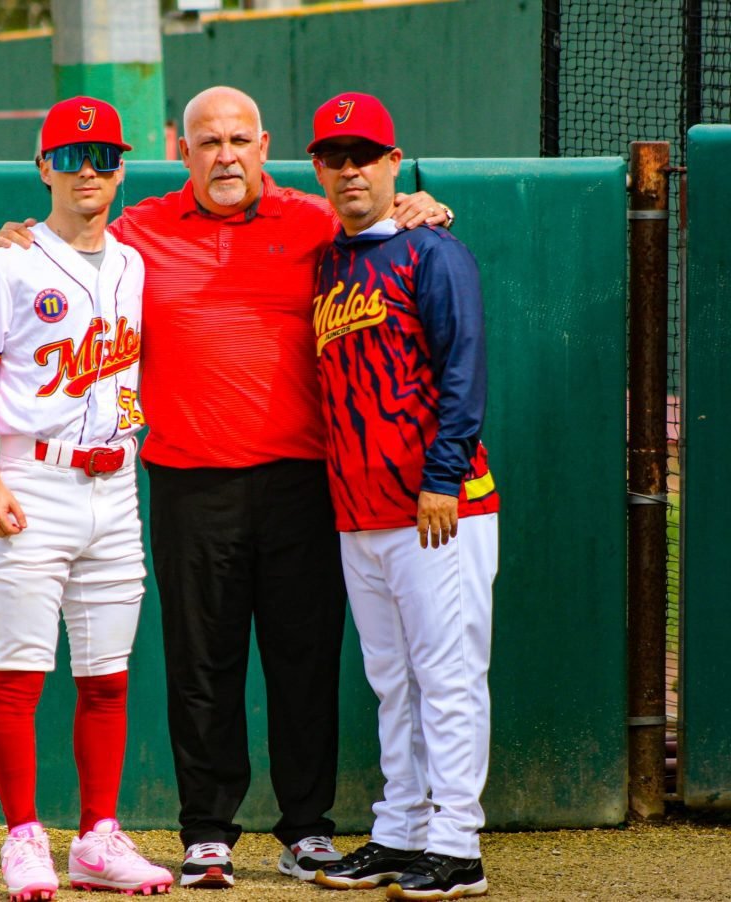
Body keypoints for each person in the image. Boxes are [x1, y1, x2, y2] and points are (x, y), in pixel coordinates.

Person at [0, 86, 453, 889]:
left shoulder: (313, 220)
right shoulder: (139, 231)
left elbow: (376, 218)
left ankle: (307, 829)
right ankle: (207, 832)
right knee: (201, 665)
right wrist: (17, 236)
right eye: (209, 142)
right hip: (188, 481)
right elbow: (68, 241)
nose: (226, 155)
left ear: (264, 147)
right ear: (184, 152)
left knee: (305, 663)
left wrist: (421, 205)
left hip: (301, 479)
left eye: (240, 140)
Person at [0, 96, 173, 902]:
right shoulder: (9, 262)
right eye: (70, 157)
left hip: (116, 483)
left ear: (122, 168)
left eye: (103, 157)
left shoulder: (134, 262)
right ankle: (24, 838)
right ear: (43, 167)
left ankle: (98, 839)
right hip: (30, 478)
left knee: (107, 675)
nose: (87, 172)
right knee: (22, 672)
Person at [304, 92, 499, 901]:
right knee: (393, 681)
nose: (349, 170)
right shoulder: (328, 261)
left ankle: (456, 847)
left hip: (436, 506)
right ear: (319, 170)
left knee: (447, 677)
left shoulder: (433, 251)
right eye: (334, 157)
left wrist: (442, 479)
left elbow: (464, 369)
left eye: (364, 156)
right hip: (360, 508)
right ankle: (401, 831)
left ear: (394, 163)